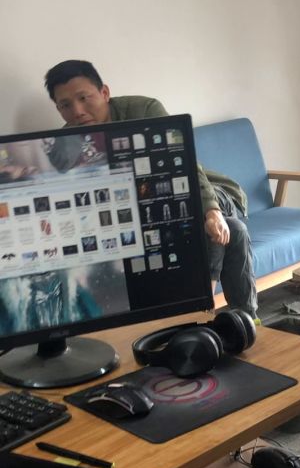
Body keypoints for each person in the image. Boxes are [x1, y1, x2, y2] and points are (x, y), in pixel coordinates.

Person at [43, 59, 258, 318]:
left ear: (104, 92)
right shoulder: (65, 141)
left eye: (84, 98)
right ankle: (246, 321)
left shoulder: (144, 110)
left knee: (215, 225)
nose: (77, 111)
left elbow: (184, 161)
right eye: (66, 105)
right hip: (151, 214)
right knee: (236, 230)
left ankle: (202, 305)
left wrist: (212, 210)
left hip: (202, 192)